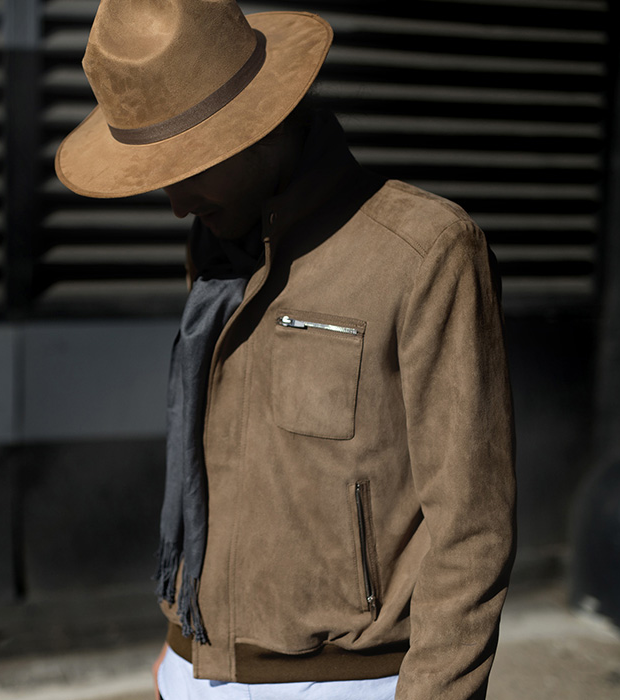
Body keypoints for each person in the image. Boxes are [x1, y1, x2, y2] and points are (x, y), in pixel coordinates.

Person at [55, 2, 516, 699]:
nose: (175, 202)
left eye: (188, 165)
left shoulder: (426, 251)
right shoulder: (216, 246)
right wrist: (177, 654)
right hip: (193, 665)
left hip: (347, 680)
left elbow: (472, 524)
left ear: (261, 125)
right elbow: (215, 470)